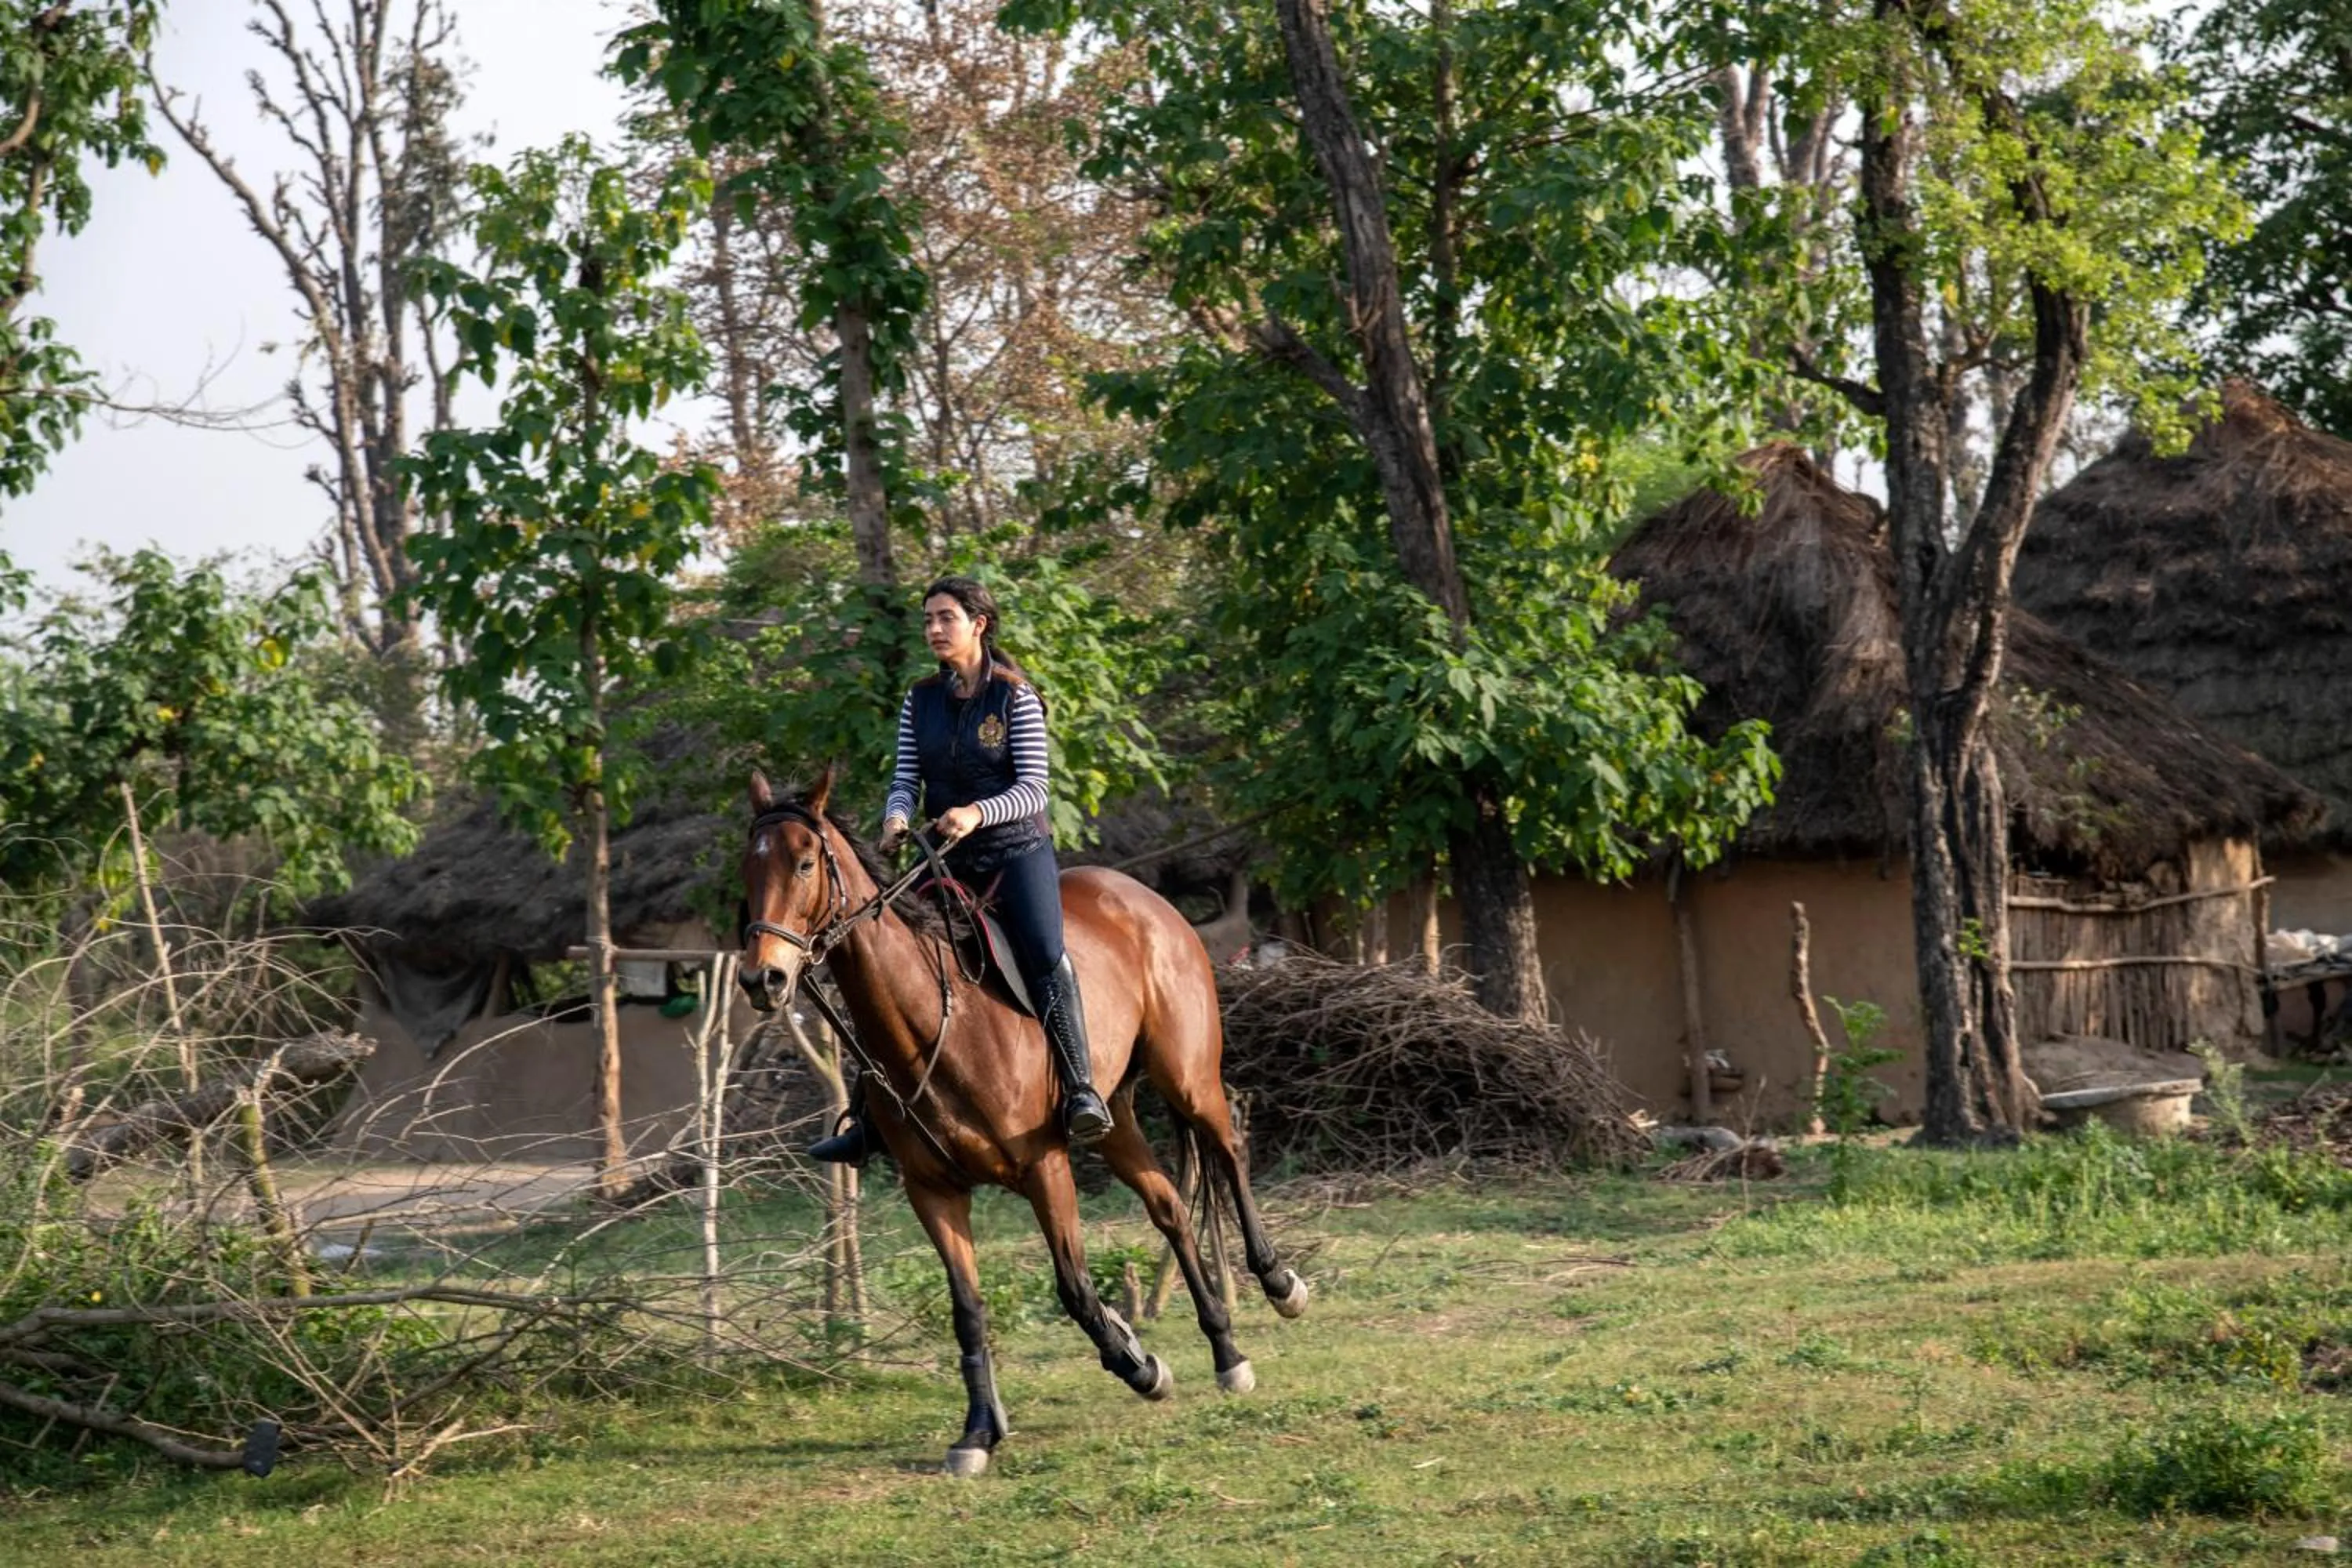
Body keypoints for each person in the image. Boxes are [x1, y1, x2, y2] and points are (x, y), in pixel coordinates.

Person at [805, 575, 1115, 1165]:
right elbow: (905, 781)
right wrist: (897, 818)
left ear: (979, 624)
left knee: (1046, 952)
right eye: (928, 620)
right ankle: (868, 1117)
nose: (934, 630)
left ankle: (1081, 1090)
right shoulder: (919, 699)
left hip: (1014, 852)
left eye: (946, 618)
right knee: (880, 953)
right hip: (941, 856)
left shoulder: (1014, 697)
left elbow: (1033, 790)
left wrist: (977, 812)